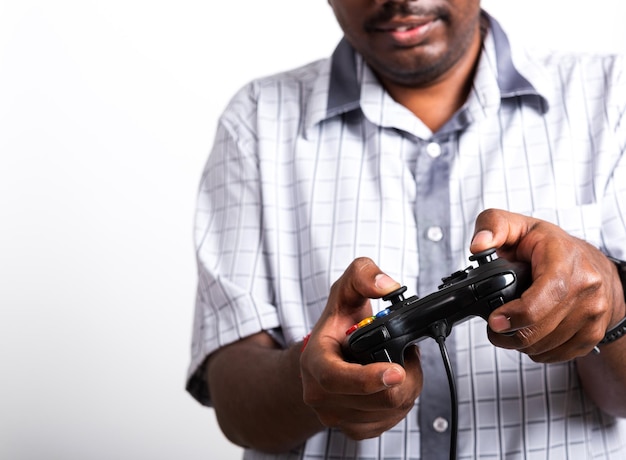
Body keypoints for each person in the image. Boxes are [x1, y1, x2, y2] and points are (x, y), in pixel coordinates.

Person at [186, 1, 626, 458]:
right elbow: (237, 405)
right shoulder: (256, 121)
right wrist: (310, 377)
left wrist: (610, 302)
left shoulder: (613, 99)